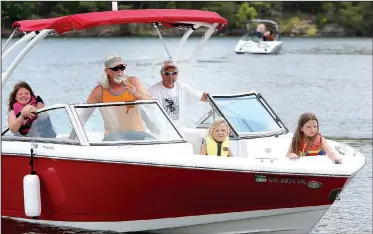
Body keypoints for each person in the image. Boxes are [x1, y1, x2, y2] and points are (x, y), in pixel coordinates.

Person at [83, 54, 152, 140]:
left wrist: (137, 94)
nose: (119, 72)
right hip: (113, 137)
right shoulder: (99, 91)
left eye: (122, 68)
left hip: (137, 134)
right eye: (115, 69)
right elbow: (83, 116)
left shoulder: (133, 82)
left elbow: (151, 104)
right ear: (107, 71)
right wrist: (71, 139)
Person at [148, 60, 208, 129]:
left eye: (174, 73)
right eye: (167, 73)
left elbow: (203, 96)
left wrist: (218, 100)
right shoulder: (152, 91)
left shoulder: (183, 87)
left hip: (179, 133)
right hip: (161, 133)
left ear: (177, 74)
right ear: (161, 74)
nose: (170, 76)